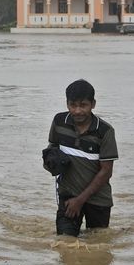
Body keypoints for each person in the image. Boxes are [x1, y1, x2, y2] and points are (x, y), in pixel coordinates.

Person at [46, 79, 118, 236]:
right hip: (68, 197)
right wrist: (50, 162)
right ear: (67, 104)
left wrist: (80, 200)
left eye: (83, 105)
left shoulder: (105, 131)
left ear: (93, 104)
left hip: (98, 200)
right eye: (73, 105)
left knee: (98, 245)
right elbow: (52, 148)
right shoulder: (59, 122)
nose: (78, 111)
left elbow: (106, 171)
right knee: (65, 243)